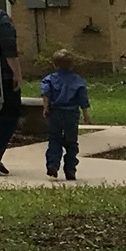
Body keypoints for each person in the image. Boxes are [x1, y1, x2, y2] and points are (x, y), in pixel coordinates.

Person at [40, 48, 91, 181]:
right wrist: (85, 114)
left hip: (55, 112)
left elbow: (45, 93)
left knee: (54, 138)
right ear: (72, 65)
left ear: (54, 65)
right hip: (71, 113)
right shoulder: (78, 80)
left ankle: (53, 164)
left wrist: (45, 108)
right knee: (71, 142)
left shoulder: (49, 79)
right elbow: (83, 98)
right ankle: (70, 169)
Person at [0, 6, 23, 175]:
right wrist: (16, 72)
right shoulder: (0, 18)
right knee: (10, 112)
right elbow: (9, 46)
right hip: (3, 75)